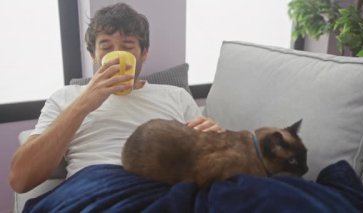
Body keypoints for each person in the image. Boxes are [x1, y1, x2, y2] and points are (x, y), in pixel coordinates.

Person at [9, 3, 223, 193]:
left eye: (128, 47)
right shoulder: (65, 97)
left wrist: (215, 140)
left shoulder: (176, 96)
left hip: (164, 186)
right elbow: (20, 179)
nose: (117, 53)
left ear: (144, 53)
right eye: (106, 47)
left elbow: (208, 159)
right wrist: (84, 103)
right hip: (96, 188)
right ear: (94, 55)